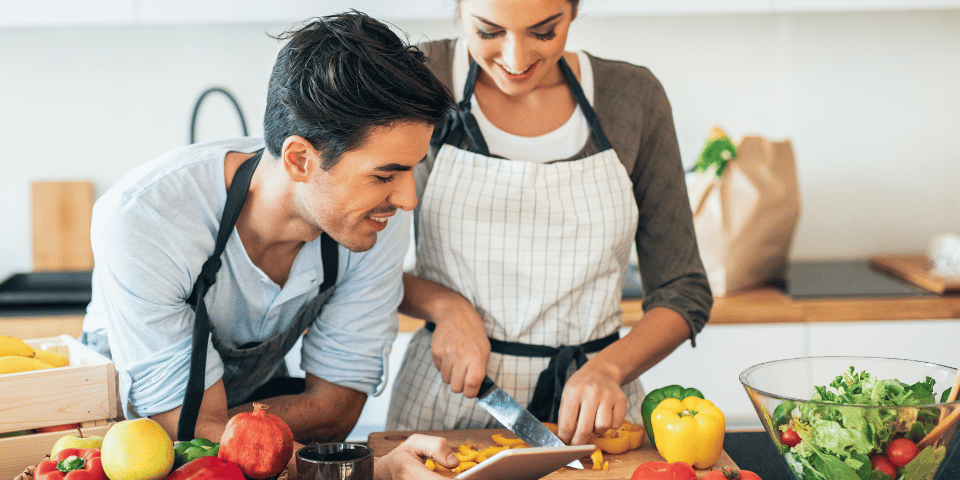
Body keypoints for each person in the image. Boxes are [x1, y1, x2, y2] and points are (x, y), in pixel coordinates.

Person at [80, 11, 461, 478]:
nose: (407, 199)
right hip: (117, 452)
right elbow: (187, 430)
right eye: (385, 174)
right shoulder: (145, 219)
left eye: (411, 169)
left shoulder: (372, 219)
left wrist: (225, 423)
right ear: (300, 159)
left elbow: (336, 410)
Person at [386, 0, 713, 446]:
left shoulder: (632, 97)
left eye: (543, 32)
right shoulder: (416, 80)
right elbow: (354, 265)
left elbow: (684, 289)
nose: (515, 59)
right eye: (488, 32)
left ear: (574, 11)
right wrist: (446, 307)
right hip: (447, 404)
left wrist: (608, 368)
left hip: (594, 417)